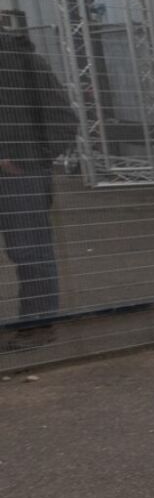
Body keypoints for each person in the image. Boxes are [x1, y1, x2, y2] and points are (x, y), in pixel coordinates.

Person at [0, 30, 65, 339]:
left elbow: (63, 119)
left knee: (29, 250)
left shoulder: (23, 61)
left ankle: (38, 325)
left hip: (18, 176)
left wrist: (24, 160)